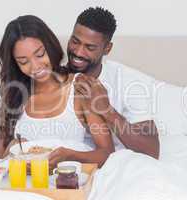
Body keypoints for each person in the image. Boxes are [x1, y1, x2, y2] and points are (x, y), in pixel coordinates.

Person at [0, 15, 114, 168]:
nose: (35, 66)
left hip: (67, 183)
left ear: (50, 46)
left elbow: (107, 153)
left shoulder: (80, 88)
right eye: (23, 62)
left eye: (40, 55)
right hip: (26, 184)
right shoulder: (13, 95)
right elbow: (0, 160)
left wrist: (70, 155)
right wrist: (12, 150)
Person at [66, 7, 160, 159]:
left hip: (112, 162)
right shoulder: (55, 74)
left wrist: (107, 110)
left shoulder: (127, 80)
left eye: (89, 47)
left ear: (107, 49)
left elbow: (152, 150)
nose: (78, 52)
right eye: (75, 41)